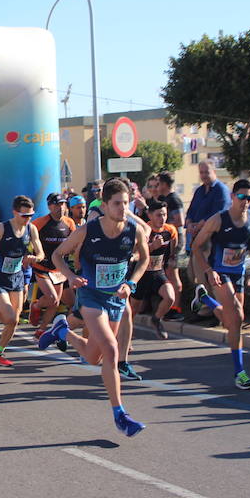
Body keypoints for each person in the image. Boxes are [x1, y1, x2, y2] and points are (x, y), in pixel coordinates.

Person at [38, 178, 150, 437]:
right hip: (89, 295)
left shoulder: (134, 231)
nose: (123, 209)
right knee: (111, 349)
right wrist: (71, 276)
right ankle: (120, 415)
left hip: (115, 298)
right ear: (106, 205)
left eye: (125, 203)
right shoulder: (88, 230)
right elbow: (57, 255)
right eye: (117, 204)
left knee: (93, 356)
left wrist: (131, 284)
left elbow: (144, 259)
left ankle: (62, 332)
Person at [191, 179, 250, 389]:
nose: (246, 201)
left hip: (238, 273)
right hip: (219, 272)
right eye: (241, 197)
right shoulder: (218, 220)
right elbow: (196, 247)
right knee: (238, 315)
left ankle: (204, 299)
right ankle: (239, 372)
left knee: (232, 322)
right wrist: (208, 270)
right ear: (233, 197)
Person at [0, 195, 45, 366]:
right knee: (11, 319)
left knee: (13, 321)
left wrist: (34, 258)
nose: (27, 219)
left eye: (30, 215)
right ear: (15, 213)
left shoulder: (31, 230)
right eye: (24, 215)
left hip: (17, 277)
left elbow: (41, 253)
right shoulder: (2, 228)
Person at [29, 193, 76, 336]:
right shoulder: (40, 223)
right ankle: (36, 305)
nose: (60, 208)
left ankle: (42, 329)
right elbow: (27, 238)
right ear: (49, 206)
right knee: (52, 298)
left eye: (62, 204)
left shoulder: (69, 223)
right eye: (56, 205)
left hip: (59, 269)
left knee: (55, 303)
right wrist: (30, 254)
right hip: (42, 266)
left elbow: (75, 243)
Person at [130, 200, 177, 340]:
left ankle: (156, 319)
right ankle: (126, 338)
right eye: (158, 215)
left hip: (157, 273)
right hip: (140, 274)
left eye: (164, 215)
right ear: (150, 215)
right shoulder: (144, 231)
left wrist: (171, 260)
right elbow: (134, 256)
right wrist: (152, 247)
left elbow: (171, 251)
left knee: (170, 297)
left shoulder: (170, 231)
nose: (162, 218)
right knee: (132, 311)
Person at [185, 160, 231, 298]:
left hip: (211, 241)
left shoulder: (221, 190)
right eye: (201, 172)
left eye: (207, 172)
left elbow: (219, 213)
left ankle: (213, 310)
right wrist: (189, 223)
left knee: (207, 276)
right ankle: (206, 307)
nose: (204, 175)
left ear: (214, 172)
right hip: (197, 240)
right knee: (193, 275)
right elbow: (191, 210)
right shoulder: (199, 191)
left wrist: (200, 224)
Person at [155, 172, 185, 320]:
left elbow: (180, 220)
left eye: (159, 184)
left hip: (175, 241)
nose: (157, 187)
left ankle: (176, 309)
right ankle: (170, 306)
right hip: (168, 241)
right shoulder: (166, 199)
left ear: (165, 184)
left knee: (173, 274)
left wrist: (164, 227)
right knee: (168, 273)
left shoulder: (174, 200)